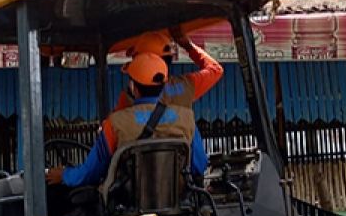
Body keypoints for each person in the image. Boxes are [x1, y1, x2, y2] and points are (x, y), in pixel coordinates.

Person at [47, 45, 221, 188]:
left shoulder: (114, 124)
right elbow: (199, 166)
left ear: (133, 87)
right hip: (179, 207)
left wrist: (63, 175)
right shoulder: (186, 118)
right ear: (164, 84)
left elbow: (90, 173)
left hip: (127, 212)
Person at [112, 30, 223, 177]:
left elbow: (113, 140)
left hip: (141, 180)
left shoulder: (128, 96)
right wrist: (188, 46)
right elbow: (215, 70)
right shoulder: (187, 86)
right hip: (181, 181)